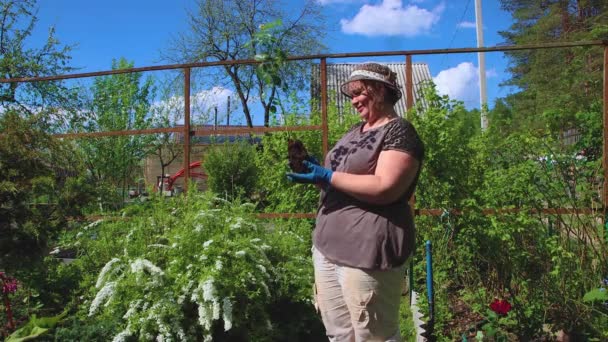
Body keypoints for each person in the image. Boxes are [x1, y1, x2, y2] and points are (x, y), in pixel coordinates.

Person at [287, 62, 424, 342]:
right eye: (351, 95)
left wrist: (328, 175)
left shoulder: (399, 131)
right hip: (327, 247)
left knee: (374, 337)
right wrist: (318, 173)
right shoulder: (354, 131)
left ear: (381, 91)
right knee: (339, 335)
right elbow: (343, 178)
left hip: (367, 251)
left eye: (360, 92)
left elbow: (385, 187)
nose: (354, 101)